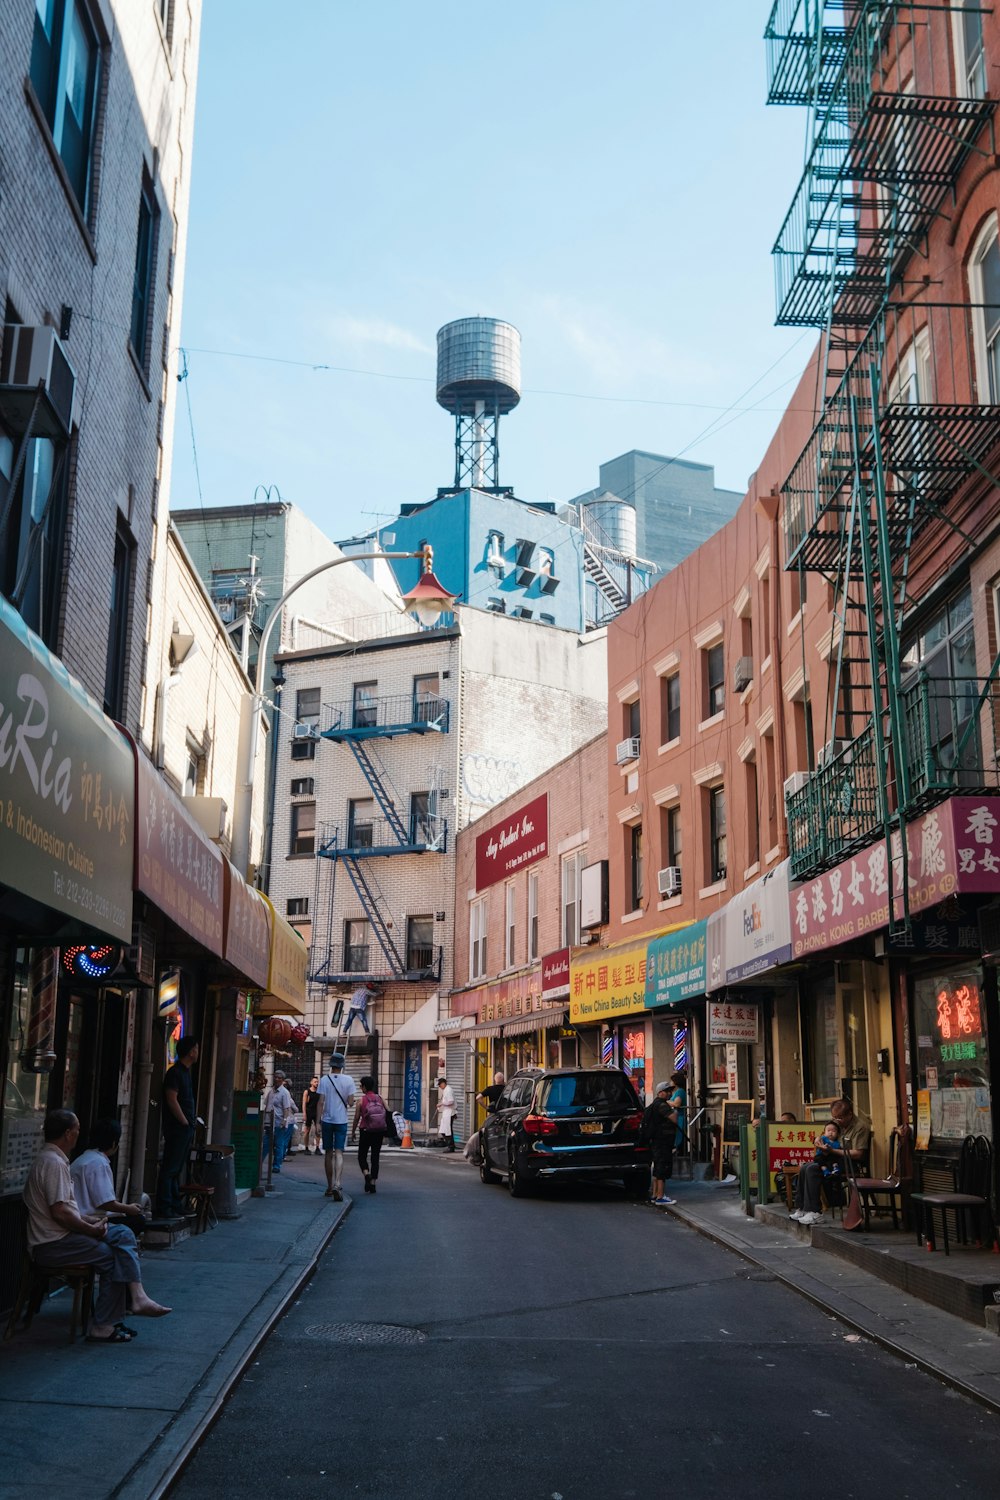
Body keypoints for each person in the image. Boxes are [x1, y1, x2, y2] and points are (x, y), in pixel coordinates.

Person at [24, 1110, 170, 1343]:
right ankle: (111, 1318)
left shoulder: (56, 1160)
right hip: (53, 1244)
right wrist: (90, 1229)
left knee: (122, 1235)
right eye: (77, 1129)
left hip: (62, 1236)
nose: (79, 1133)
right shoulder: (53, 1163)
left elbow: (66, 1210)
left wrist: (90, 1222)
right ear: (68, 1133)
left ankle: (127, 1306)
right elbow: (60, 1212)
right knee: (113, 1254)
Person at [791, 1098, 871, 1225]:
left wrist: (832, 1151)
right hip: (831, 1159)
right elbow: (825, 1133)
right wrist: (819, 1139)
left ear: (849, 1114)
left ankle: (815, 1212)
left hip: (849, 1163)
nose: (837, 1121)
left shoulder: (860, 1127)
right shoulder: (837, 1124)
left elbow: (859, 1154)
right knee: (805, 1167)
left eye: (840, 1118)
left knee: (813, 1169)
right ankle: (802, 1208)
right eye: (835, 1118)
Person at [71, 1118, 147, 1231]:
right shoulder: (99, 1163)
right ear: (113, 1144)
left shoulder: (84, 1158)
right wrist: (129, 1209)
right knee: (138, 1220)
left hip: (80, 1216)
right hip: (91, 1219)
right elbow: (106, 1203)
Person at [156, 1036, 199, 1218]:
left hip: (184, 1127)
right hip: (177, 1127)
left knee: (176, 1168)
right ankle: (165, 1207)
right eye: (196, 1049)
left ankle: (174, 1204)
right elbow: (171, 1099)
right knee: (170, 1168)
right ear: (190, 1051)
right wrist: (184, 1121)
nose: (197, 1052)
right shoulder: (175, 1073)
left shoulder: (185, 1072)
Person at [317, 1052, 357, 1200]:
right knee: (339, 1152)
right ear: (342, 1066)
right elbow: (351, 1102)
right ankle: (337, 1183)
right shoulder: (349, 1080)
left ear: (331, 1064)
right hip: (341, 1121)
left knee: (328, 1153)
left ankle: (328, 1186)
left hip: (327, 1120)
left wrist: (317, 1122)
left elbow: (320, 1102)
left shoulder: (324, 1080)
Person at [643, 1081, 679, 1206]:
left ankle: (654, 1194)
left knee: (657, 1166)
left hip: (656, 1140)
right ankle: (660, 1196)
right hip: (662, 1141)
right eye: (667, 1091)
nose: (670, 1093)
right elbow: (673, 1118)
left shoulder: (654, 1104)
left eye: (670, 1091)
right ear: (660, 1093)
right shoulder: (662, 1105)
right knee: (662, 1167)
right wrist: (675, 1110)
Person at [352, 1075, 389, 1193]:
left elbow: (357, 1117)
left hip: (365, 1131)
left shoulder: (361, 1100)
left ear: (364, 1087)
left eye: (361, 1086)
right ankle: (372, 1183)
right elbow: (388, 1112)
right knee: (375, 1156)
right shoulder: (380, 1098)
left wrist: (353, 1131)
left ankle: (366, 1174)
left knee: (361, 1155)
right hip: (378, 1131)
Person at [262, 1071, 295, 1172]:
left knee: (279, 1144)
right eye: (275, 1077)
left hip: (278, 1122)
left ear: (282, 1080)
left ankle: (276, 1166)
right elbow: (266, 1104)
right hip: (268, 1122)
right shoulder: (271, 1091)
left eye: (279, 1078)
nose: (277, 1079)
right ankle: (259, 1162)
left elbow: (287, 1108)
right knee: (266, 1144)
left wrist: (284, 1120)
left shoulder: (284, 1093)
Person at [436, 1076, 457, 1152]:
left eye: (440, 1084)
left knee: (447, 1130)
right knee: (444, 1130)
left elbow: (451, 1101)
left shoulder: (448, 1090)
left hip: (449, 1112)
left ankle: (451, 1146)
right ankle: (450, 1145)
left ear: (444, 1083)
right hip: (447, 1112)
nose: (440, 1086)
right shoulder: (446, 1090)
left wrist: (441, 1104)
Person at [303, 1076, 322, 1155]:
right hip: (309, 1112)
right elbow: (304, 1103)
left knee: (318, 1131)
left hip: (317, 1113)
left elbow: (321, 1103)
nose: (316, 1083)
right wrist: (304, 1113)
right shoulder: (307, 1092)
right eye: (315, 1082)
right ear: (311, 1083)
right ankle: (306, 1148)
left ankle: (317, 1148)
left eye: (317, 1082)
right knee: (307, 1130)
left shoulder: (319, 1092)